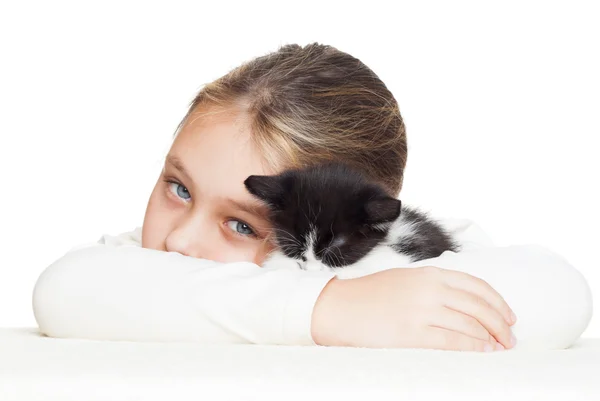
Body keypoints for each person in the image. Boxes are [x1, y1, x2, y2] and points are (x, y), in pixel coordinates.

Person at [32, 43, 591, 352]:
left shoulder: (406, 263)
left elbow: (560, 294)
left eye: (243, 225)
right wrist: (328, 309)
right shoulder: (134, 266)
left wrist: (372, 294)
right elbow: (63, 289)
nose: (179, 238)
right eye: (179, 189)